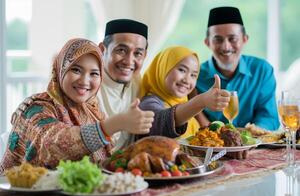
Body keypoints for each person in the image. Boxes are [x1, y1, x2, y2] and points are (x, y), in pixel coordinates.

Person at [0, 38, 154, 173]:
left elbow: (102, 161)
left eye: (94, 73)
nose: (84, 81)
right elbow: (53, 146)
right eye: (76, 70)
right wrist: (114, 124)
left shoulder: (91, 109)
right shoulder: (36, 109)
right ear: (60, 70)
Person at [193, 6, 280, 131]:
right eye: (218, 40)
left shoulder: (262, 70)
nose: (226, 47)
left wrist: (248, 134)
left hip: (254, 145)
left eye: (232, 39)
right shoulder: (195, 76)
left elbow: (269, 118)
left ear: (245, 39)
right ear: (207, 42)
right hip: (211, 147)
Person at [139, 46, 230, 139]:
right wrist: (201, 101)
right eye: (182, 70)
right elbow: (161, 123)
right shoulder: (148, 103)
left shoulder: (184, 103)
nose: (187, 80)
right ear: (163, 68)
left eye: (193, 75)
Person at [98, 19, 149, 150]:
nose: (129, 61)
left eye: (138, 53)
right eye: (121, 50)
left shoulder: (139, 83)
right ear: (102, 50)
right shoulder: (87, 86)